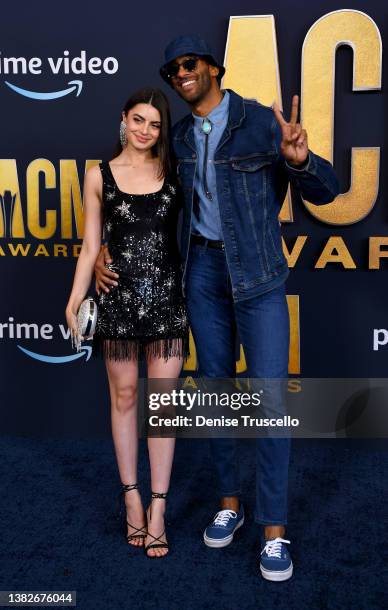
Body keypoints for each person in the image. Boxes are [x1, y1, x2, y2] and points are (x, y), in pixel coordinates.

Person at [94, 36, 339, 580]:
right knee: (214, 393)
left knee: (270, 397)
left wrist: (301, 161)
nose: (179, 73)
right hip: (201, 275)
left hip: (259, 274)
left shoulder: (259, 122)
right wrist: (103, 248)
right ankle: (230, 504)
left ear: (213, 68)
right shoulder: (177, 137)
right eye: (171, 69)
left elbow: (328, 190)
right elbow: (146, 203)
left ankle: (274, 530)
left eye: (189, 64)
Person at [66, 87, 189, 558]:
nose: (146, 130)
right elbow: (90, 246)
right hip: (116, 302)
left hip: (166, 303)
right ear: (124, 119)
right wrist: (75, 297)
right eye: (139, 120)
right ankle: (131, 497)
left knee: (162, 407)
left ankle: (159, 507)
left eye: (155, 124)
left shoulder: (174, 172)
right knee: (124, 398)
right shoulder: (98, 175)